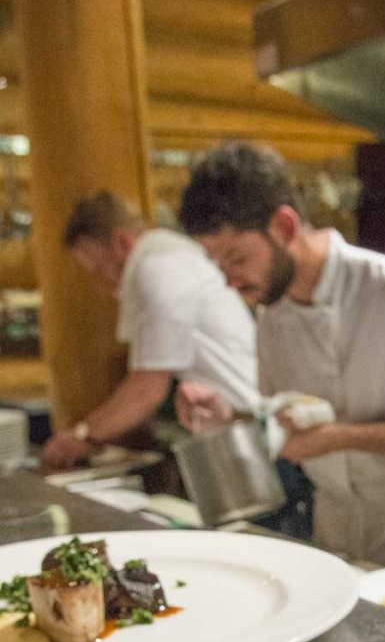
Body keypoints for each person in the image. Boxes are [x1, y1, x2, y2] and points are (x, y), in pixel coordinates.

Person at [177, 142, 385, 566]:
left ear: (284, 226)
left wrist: (336, 439)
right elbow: (282, 417)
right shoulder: (272, 313)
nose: (229, 280)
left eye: (237, 257)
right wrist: (230, 417)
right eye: (217, 263)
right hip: (334, 527)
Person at [43, 191, 262, 472]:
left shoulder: (158, 269)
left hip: (247, 435)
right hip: (228, 428)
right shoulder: (170, 258)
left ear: (122, 242)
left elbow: (147, 388)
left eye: (98, 268)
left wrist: (83, 436)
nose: (100, 285)